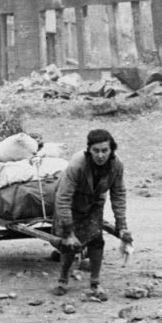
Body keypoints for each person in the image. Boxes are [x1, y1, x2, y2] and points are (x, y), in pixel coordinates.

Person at [52, 128, 130, 300]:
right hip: (70, 203)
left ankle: (95, 282)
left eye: (105, 150)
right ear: (89, 150)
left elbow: (118, 194)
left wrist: (122, 226)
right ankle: (63, 279)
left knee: (96, 240)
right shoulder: (77, 165)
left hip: (94, 203)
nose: (100, 155)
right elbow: (63, 198)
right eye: (96, 151)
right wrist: (69, 233)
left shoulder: (117, 165)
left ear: (111, 150)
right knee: (70, 244)